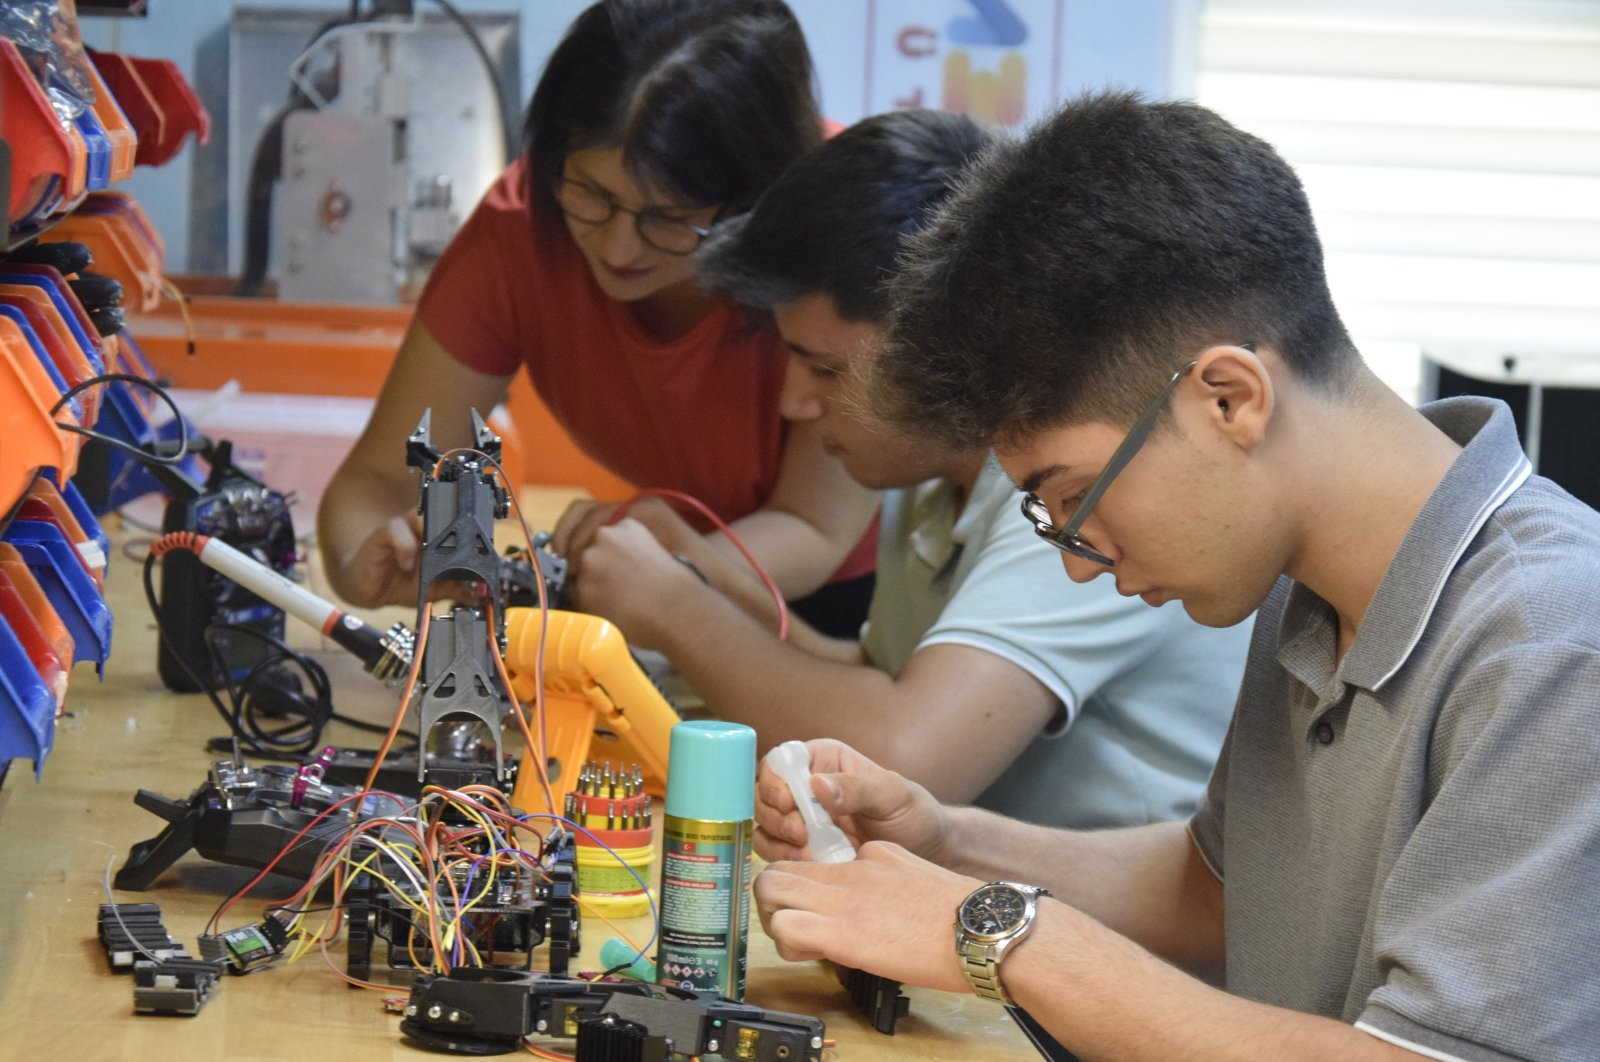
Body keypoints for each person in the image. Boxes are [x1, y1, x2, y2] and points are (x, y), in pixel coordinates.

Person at [751, 92, 1600, 1060]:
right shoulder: (1302, 589)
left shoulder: (1553, 643)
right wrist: (948, 843)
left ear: (1229, 398)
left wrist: (999, 932)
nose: (1075, 561)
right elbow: (1215, 890)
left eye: (1073, 496)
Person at [570, 109, 1250, 826]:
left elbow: (906, 753)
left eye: (826, 369)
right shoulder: (931, 484)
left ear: (939, 334)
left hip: (1105, 919)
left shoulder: (1080, 494)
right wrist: (705, 579)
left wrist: (674, 611)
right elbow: (879, 683)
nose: (798, 403)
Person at [317, 0, 878, 637]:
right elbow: (375, 483)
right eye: (591, 194)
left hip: (852, 600)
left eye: (668, 217)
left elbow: (815, 527)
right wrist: (368, 553)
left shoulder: (838, 233)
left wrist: (656, 574)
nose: (616, 249)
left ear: (756, 197)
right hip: (668, 577)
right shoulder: (520, 228)